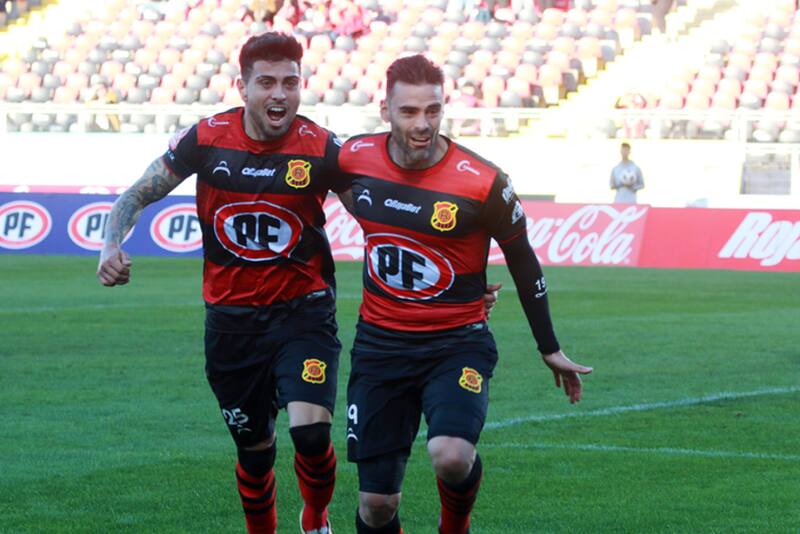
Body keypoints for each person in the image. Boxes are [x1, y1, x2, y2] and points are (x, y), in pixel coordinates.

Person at [96, 33, 342, 534]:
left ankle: (315, 517)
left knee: (311, 434)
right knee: (255, 452)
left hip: (304, 312)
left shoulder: (321, 147)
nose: (280, 95)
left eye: (290, 83)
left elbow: (378, 215)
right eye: (267, 83)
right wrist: (109, 244)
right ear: (243, 86)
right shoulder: (206, 139)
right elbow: (139, 193)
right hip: (232, 325)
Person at [336, 54, 593, 534]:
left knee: (450, 456)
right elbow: (321, 186)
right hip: (379, 349)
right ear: (384, 110)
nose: (422, 124)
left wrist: (549, 347)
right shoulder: (352, 158)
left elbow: (523, 260)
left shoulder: (484, 182)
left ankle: (454, 527)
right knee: (376, 506)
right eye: (409, 112)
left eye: (432, 111)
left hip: (456, 345)